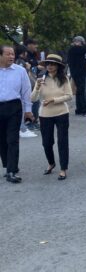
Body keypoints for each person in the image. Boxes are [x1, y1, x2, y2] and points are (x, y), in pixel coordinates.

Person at [31, 54, 73, 180]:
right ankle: (51, 163)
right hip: (45, 114)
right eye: (48, 64)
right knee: (47, 142)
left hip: (62, 113)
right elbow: (33, 98)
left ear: (58, 66)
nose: (49, 66)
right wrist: (37, 87)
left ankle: (63, 168)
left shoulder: (64, 78)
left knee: (62, 141)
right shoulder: (41, 79)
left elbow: (69, 96)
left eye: (53, 64)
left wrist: (54, 100)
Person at [0, 45, 33, 183]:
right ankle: (8, 165)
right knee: (2, 140)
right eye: (8, 54)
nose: (11, 56)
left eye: (12, 54)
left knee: (12, 139)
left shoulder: (20, 71)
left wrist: (28, 110)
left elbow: (26, 91)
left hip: (14, 107)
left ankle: (11, 170)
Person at [67, 36, 86, 116]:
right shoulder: (74, 49)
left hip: (76, 72)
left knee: (79, 91)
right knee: (81, 91)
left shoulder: (73, 50)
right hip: (79, 73)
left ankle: (79, 109)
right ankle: (83, 109)